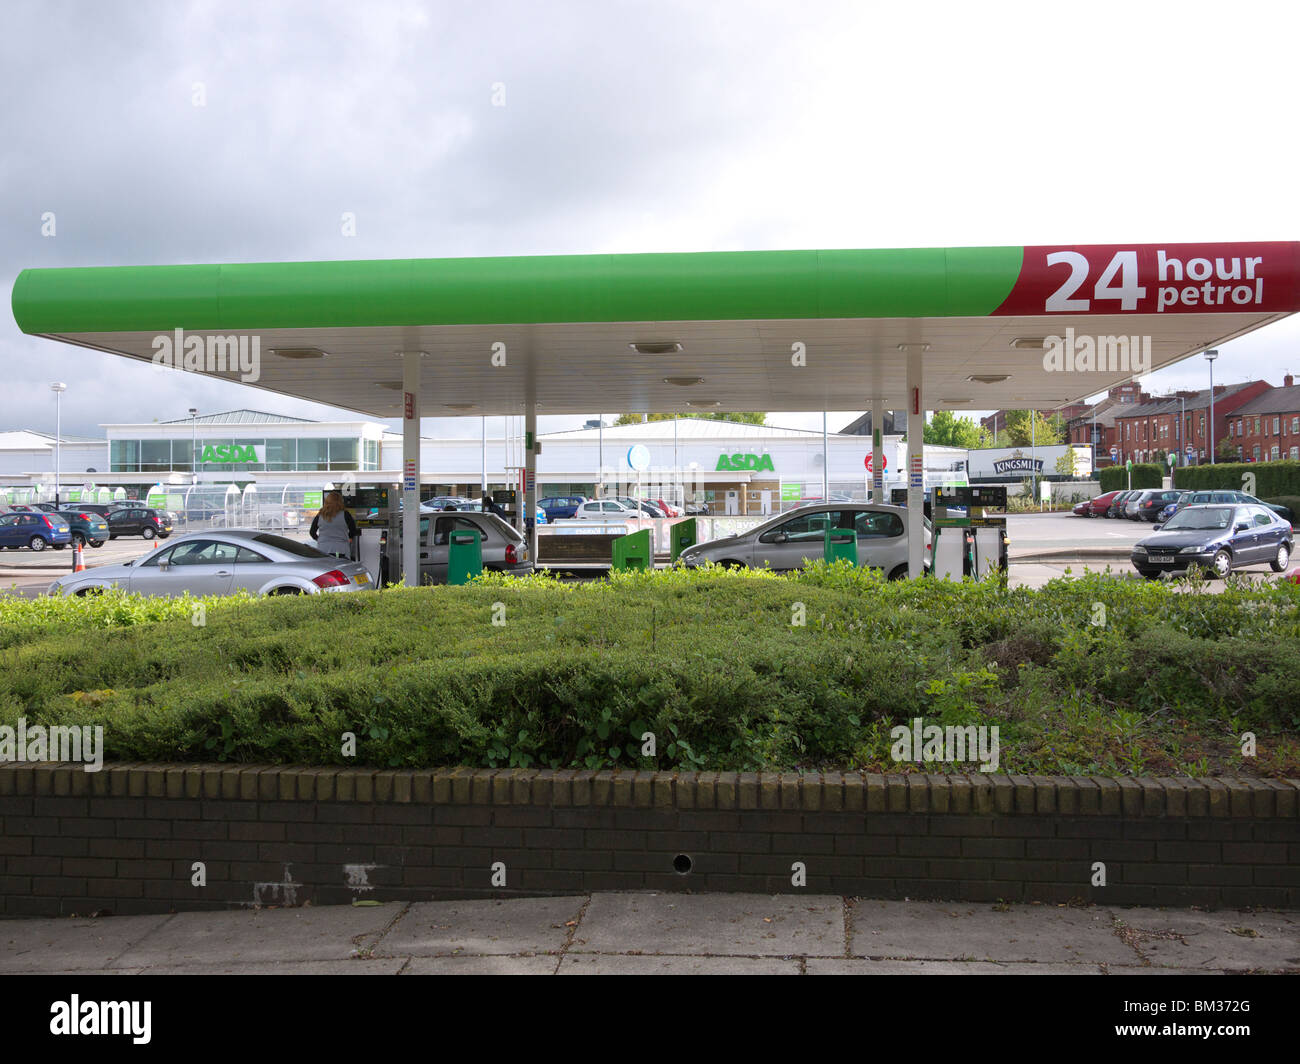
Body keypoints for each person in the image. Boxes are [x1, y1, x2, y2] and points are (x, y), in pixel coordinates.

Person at [309, 490, 358, 559]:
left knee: (326, 569)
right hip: (341, 548)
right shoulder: (345, 514)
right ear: (341, 501)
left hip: (323, 548)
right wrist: (349, 538)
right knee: (342, 569)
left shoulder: (320, 515)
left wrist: (320, 540)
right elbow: (353, 530)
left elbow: (312, 532)